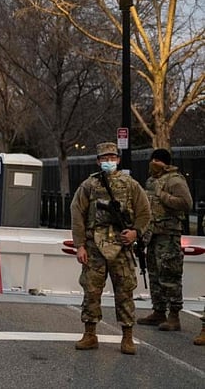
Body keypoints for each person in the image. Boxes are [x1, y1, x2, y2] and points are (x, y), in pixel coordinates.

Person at [70, 142, 151, 355]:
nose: (108, 161)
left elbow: (144, 212)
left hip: (121, 247)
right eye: (104, 158)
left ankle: (127, 336)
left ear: (118, 159)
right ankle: (90, 334)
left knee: (124, 292)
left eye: (112, 158)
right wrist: (80, 245)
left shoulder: (131, 185)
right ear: (98, 161)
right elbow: (77, 214)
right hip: (94, 246)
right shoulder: (89, 185)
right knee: (91, 291)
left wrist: (135, 232)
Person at [137, 148, 192, 331]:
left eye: (158, 161)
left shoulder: (175, 180)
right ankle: (158, 310)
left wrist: (163, 195)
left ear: (165, 163)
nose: (154, 163)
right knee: (154, 274)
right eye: (152, 160)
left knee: (170, 275)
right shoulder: (151, 181)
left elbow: (186, 203)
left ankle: (174, 315)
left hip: (168, 235)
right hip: (153, 234)